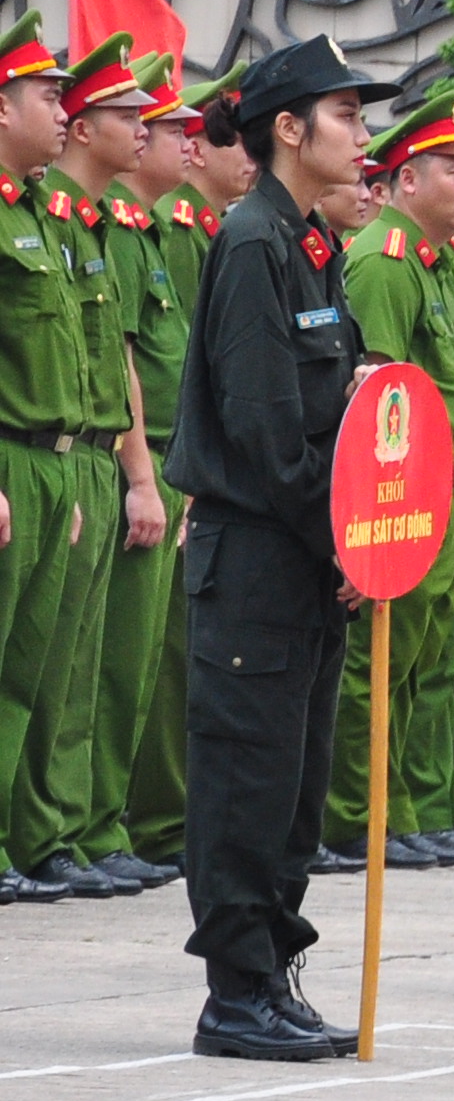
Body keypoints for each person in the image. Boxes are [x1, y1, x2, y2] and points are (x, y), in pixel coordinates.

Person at [163, 36, 378, 1055]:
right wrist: (339, 543)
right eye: (345, 114)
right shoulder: (253, 240)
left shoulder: (311, 243)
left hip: (306, 552)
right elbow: (264, 425)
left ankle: (275, 973)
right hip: (258, 552)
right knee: (246, 777)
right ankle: (235, 991)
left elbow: (341, 411)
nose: (361, 132)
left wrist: (358, 541)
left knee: (297, 780)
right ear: (288, 129)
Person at [324, 88, 454, 868]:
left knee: (430, 663)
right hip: (409, 495)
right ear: (404, 181)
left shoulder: (436, 261)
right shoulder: (386, 264)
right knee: (377, 662)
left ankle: (413, 806)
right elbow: (376, 405)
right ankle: (356, 817)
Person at [12, 33, 168, 896]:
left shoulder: (67, 222)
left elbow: (116, 361)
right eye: (51, 97)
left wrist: (131, 474)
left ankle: (61, 832)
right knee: (23, 668)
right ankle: (23, 838)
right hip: (27, 456)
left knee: (68, 668)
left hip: (85, 458)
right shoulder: (26, 215)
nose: (142, 128)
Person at [117, 61, 217, 878]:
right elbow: (121, 362)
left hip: (161, 460)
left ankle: (109, 827)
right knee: (97, 667)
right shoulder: (126, 227)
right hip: (115, 459)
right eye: (174, 128)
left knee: (146, 663)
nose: (194, 142)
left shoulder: (151, 229)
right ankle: (82, 829)